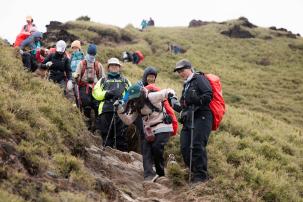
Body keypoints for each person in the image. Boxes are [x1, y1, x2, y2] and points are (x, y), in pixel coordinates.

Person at [115, 84, 175, 181]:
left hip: (162, 126)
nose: (136, 101)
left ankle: (161, 174)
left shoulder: (152, 97)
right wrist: (119, 110)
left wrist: (173, 97)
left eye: (137, 98)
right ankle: (149, 175)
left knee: (157, 147)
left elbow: (167, 91)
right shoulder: (135, 106)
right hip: (149, 130)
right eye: (133, 99)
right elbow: (128, 121)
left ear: (142, 94)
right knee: (145, 149)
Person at [171, 59, 213, 184]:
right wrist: (172, 103)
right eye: (179, 72)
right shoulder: (186, 85)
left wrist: (197, 100)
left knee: (197, 145)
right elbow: (184, 105)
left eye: (182, 70)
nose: (181, 73)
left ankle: (200, 176)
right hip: (189, 119)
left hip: (202, 116)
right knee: (185, 147)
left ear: (189, 68)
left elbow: (208, 95)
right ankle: (193, 172)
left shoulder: (199, 79)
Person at [92, 58, 131, 151]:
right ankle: (107, 156)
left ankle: (122, 158)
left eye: (116, 65)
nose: (114, 67)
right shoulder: (102, 80)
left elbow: (131, 94)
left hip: (121, 111)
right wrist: (106, 94)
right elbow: (95, 93)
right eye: (112, 65)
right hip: (105, 110)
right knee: (106, 135)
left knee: (120, 136)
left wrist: (123, 100)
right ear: (108, 67)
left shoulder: (125, 81)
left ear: (119, 68)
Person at [74, 44, 105, 131]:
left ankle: (97, 126)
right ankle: (87, 123)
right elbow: (77, 77)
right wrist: (76, 77)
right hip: (84, 86)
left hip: (95, 87)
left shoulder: (98, 65)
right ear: (87, 53)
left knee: (97, 105)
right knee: (85, 103)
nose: (91, 57)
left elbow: (103, 78)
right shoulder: (81, 64)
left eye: (93, 55)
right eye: (90, 54)